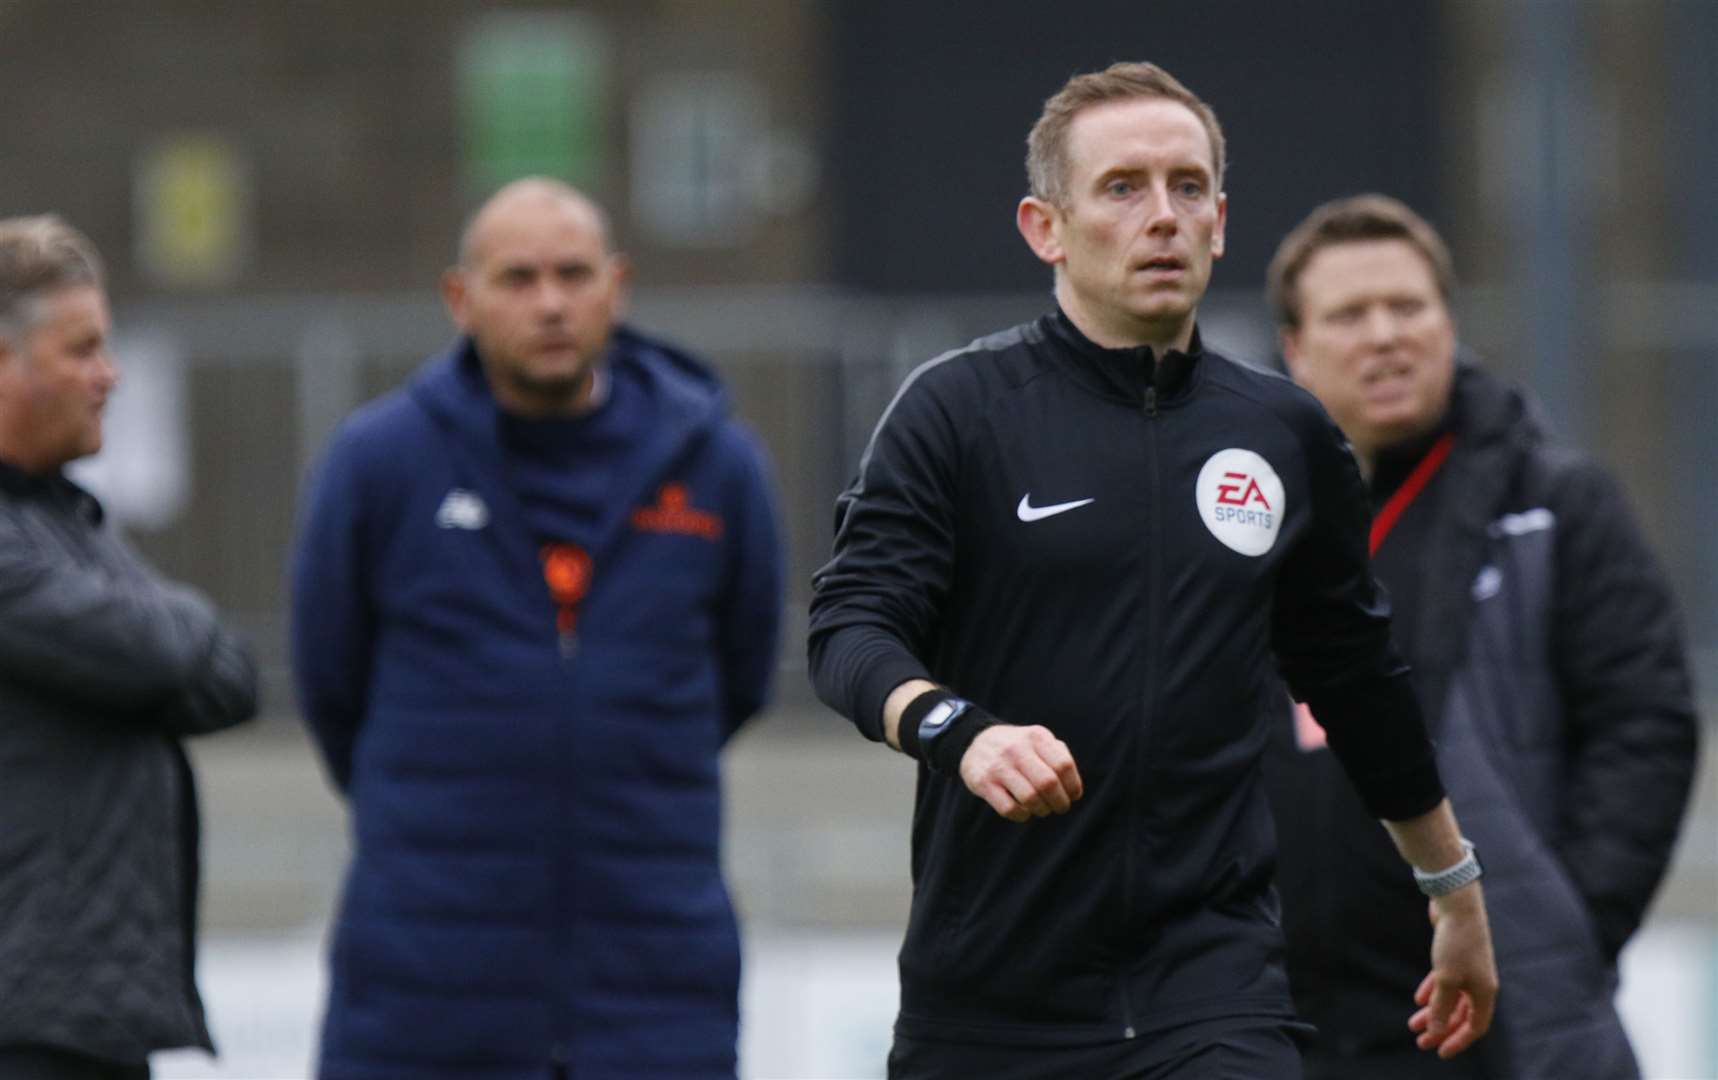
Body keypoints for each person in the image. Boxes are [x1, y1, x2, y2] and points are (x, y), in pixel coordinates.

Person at [808, 61, 1501, 1079]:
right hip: (988, 1003)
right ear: (1044, 227)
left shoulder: (1281, 432)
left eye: (1187, 188)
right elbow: (848, 630)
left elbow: (1354, 677)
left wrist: (1452, 887)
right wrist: (957, 730)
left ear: (1220, 222)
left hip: (1211, 992)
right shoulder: (956, 412)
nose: (1162, 216)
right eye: (1122, 188)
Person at [290, 177, 784, 1080]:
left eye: (573, 274)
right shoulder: (379, 462)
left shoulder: (718, 465)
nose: (550, 302)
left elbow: (743, 673)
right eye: (517, 278)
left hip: (655, 982)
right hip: (423, 989)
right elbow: (330, 682)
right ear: (459, 298)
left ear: (618, 286)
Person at [1263, 193, 1700, 1080]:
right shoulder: (1250, 521)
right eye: (1351, 314)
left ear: (1449, 324)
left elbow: (1645, 723)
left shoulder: (1552, 505)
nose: (1386, 334)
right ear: (1296, 350)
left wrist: (1566, 929)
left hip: (1495, 1017)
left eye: (1410, 307)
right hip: (1287, 1021)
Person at [0, 215, 259, 1080]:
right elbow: (165, 657)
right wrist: (178, 629)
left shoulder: (59, 519)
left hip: (80, 1023)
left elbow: (228, 678)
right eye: (83, 350)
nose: (109, 376)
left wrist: (173, 635)